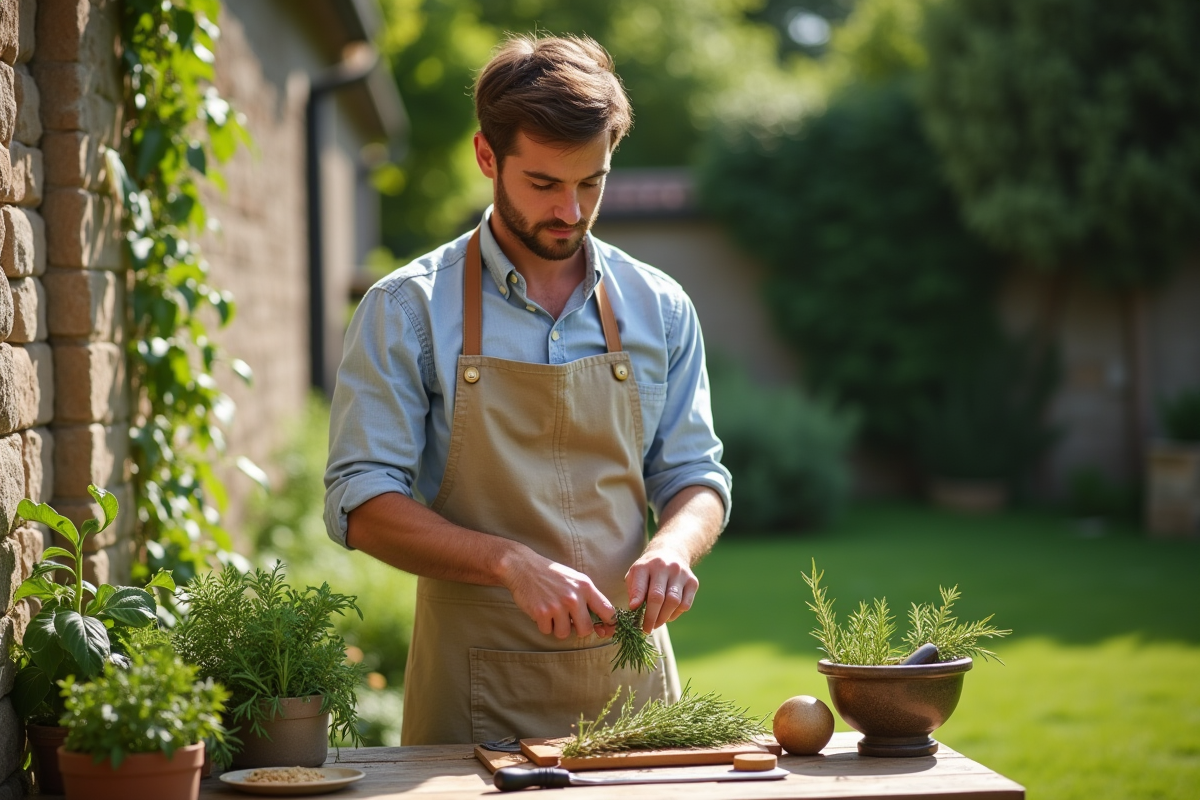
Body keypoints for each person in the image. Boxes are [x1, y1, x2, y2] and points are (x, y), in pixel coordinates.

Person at [324, 33, 732, 746]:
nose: (570, 211)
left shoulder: (660, 307)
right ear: (488, 157)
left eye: (591, 183)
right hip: (469, 699)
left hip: (632, 692)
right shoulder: (407, 309)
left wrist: (673, 545)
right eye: (544, 184)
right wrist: (508, 562)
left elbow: (695, 474)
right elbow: (360, 501)